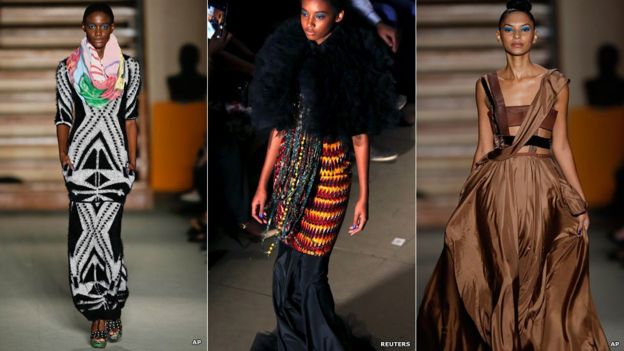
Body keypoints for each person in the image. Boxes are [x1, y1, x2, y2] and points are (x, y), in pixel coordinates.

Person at [417, 1, 609, 349]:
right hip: (497, 187)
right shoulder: (485, 86)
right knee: (503, 272)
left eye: (524, 29)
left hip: (543, 187)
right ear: (498, 36)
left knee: (539, 273)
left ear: (534, 36)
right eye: (509, 29)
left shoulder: (555, 84)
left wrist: (578, 202)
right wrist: (467, 203)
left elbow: (562, 145)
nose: (517, 35)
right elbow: (483, 147)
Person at [249, 0, 398, 348]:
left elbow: (360, 137)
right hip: (291, 170)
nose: (309, 23)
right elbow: (280, 128)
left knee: (312, 273)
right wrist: (261, 184)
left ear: (339, 16)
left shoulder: (350, 64)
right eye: (304, 13)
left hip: (330, 174)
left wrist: (364, 196)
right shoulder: (290, 52)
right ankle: (295, 340)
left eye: (319, 15)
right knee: (287, 265)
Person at [55, 2, 141, 348]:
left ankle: (113, 308)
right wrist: (63, 153)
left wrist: (133, 160)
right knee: (81, 240)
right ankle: (96, 316)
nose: (99, 32)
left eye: (104, 26)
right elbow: (63, 116)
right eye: (92, 26)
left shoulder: (129, 68)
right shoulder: (68, 68)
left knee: (108, 238)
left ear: (113, 27)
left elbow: (131, 117)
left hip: (115, 165)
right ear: (83, 28)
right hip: (80, 165)